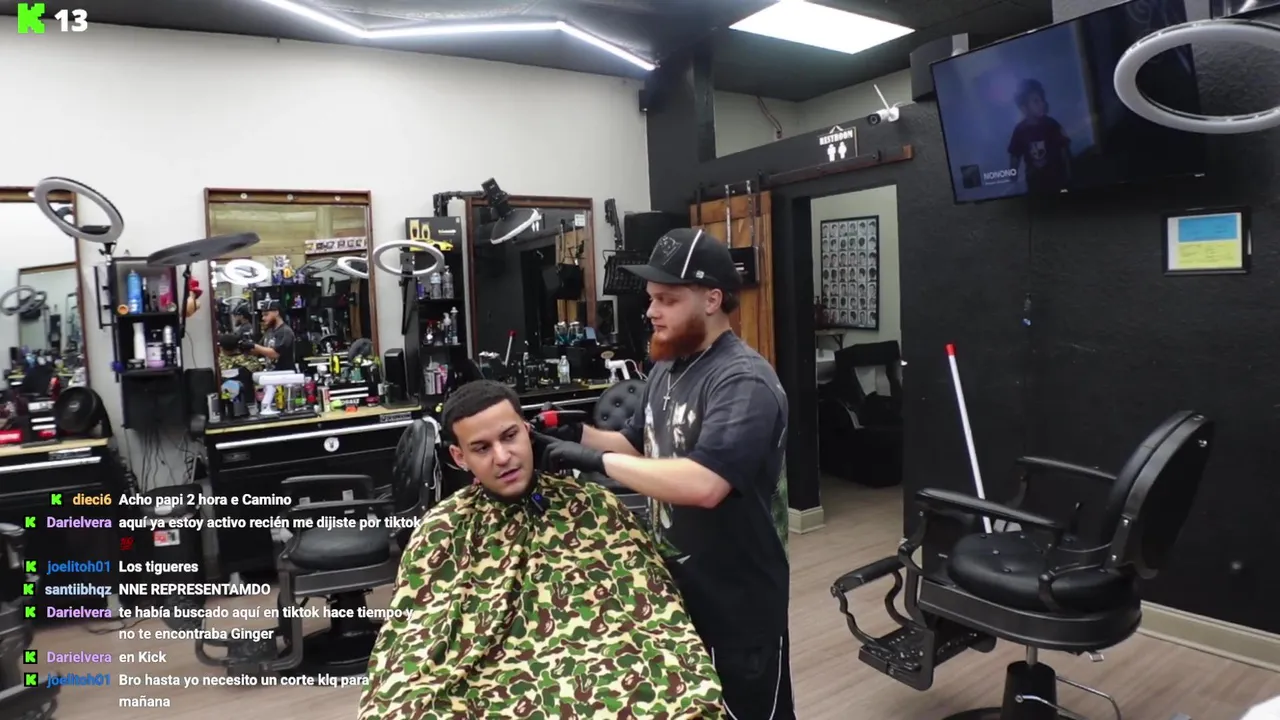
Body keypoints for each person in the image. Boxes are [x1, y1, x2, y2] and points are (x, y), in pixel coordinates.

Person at [534, 228, 794, 719]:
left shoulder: (743, 381)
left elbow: (705, 484)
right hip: (677, 589)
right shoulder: (667, 367)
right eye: (652, 298)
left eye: (667, 300)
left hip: (739, 599)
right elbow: (637, 444)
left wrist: (592, 461)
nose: (651, 311)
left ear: (712, 299)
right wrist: (574, 434)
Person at [359, 380, 722, 719]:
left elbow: (654, 613)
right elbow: (411, 641)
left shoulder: (593, 507)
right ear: (459, 456)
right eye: (482, 448)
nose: (502, 457)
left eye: (510, 436)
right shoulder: (442, 529)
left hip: (599, 661)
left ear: (527, 431)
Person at [1007, 78, 1072, 194]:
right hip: (1035, 185)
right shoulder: (1020, 131)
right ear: (1024, 107)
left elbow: (1065, 152)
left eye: (1042, 100)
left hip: (1057, 182)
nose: (1041, 104)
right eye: (1036, 101)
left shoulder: (1052, 125)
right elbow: (1015, 157)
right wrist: (1013, 179)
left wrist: (1069, 177)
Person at [247, 300, 295, 370]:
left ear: (276, 313)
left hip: (285, 373)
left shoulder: (285, 331)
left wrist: (254, 346)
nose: (263, 318)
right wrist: (246, 347)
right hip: (271, 372)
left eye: (266, 315)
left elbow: (275, 354)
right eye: (262, 315)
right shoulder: (269, 331)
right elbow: (259, 350)